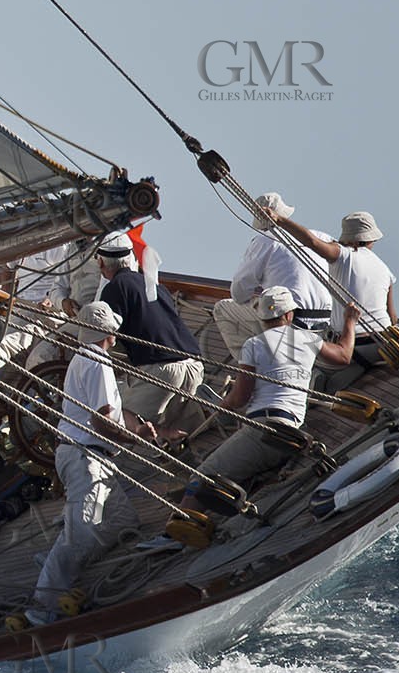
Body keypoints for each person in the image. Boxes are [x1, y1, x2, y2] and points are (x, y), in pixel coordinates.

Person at [149, 287, 359, 544]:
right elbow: (344, 356)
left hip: (263, 431)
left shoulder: (254, 344)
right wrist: (350, 321)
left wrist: (220, 408)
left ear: (261, 317)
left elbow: (240, 398)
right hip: (291, 429)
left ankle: (173, 537)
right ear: (290, 314)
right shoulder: (308, 339)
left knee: (201, 477)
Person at [27, 302, 142, 626]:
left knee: (123, 521)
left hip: (86, 455)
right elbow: (103, 419)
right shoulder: (97, 360)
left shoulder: (83, 357)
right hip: (86, 456)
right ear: (110, 333)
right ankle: (42, 604)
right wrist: (136, 440)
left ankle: (56, 561)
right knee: (81, 534)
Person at [96, 230, 206, 436]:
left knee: (115, 413)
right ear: (130, 259)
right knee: (177, 425)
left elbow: (107, 337)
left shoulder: (114, 288)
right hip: (194, 367)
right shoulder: (155, 286)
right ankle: (168, 434)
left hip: (163, 371)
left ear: (101, 263)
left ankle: (145, 432)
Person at [262, 206, 396, 372]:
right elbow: (393, 319)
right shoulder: (385, 269)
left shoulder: (345, 255)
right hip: (384, 345)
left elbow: (313, 242)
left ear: (351, 240)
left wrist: (280, 220)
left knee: (298, 358)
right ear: (371, 240)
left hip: (355, 347)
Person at [213, 193, 334, 360]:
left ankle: (251, 367)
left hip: (291, 321)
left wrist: (257, 298)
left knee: (223, 308)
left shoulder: (264, 241)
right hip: (326, 323)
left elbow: (239, 293)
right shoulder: (322, 237)